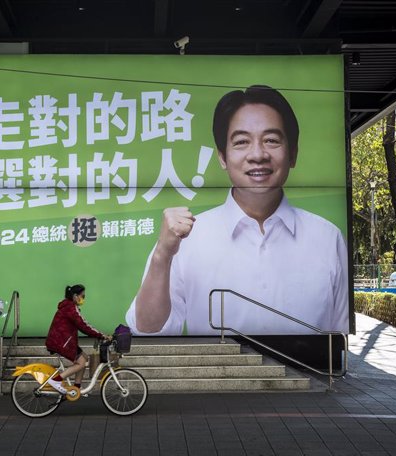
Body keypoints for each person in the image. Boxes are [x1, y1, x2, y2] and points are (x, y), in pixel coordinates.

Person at [125, 85, 348, 336]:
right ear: (222, 157)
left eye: (271, 140)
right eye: (242, 142)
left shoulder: (327, 238)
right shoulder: (187, 239)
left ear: (293, 154)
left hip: (307, 376)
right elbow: (147, 331)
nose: (257, 155)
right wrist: (162, 255)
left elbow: (339, 339)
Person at [45, 284, 110, 394]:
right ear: (75, 296)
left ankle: (77, 388)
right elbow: (83, 325)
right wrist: (101, 335)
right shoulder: (70, 308)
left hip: (62, 340)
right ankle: (55, 381)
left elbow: (83, 324)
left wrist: (99, 334)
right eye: (82, 296)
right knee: (81, 362)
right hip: (61, 341)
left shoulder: (68, 306)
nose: (83, 299)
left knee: (84, 358)